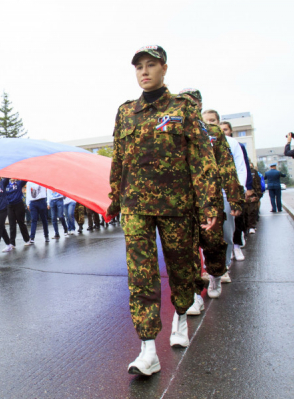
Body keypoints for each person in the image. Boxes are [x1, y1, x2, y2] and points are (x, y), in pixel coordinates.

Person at [106, 46, 219, 376]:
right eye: (139, 66)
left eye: (151, 65)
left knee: (182, 268)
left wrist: (208, 202)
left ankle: (181, 317)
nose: (144, 71)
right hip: (135, 207)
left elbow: (201, 159)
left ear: (164, 69)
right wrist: (115, 200)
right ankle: (148, 350)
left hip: (176, 206)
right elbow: (119, 161)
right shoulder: (126, 112)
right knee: (140, 276)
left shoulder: (183, 109)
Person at [180, 90, 244, 314]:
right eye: (183, 101)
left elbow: (227, 166)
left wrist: (235, 198)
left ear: (199, 104)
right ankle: (195, 295)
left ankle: (216, 275)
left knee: (213, 243)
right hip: (183, 199)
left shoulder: (214, 132)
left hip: (211, 198)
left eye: (192, 102)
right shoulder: (173, 127)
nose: (188, 105)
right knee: (186, 249)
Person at [218, 120, 251, 262]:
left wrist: (245, 188)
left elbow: (243, 168)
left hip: (230, 191)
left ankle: (235, 248)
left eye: (225, 129)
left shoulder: (234, 143)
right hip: (210, 193)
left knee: (232, 224)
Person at [2, 178, 30, 247]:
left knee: (21, 223)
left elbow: (26, 178)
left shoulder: (19, 183)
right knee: (12, 225)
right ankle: (12, 243)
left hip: (18, 205)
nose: (12, 177)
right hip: (10, 206)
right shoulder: (6, 184)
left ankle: (27, 239)